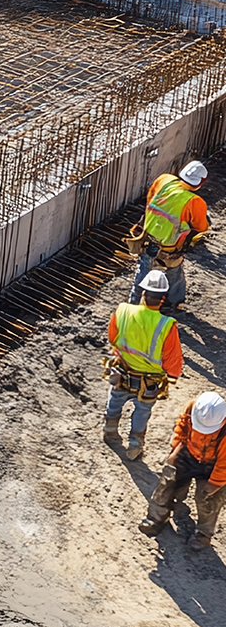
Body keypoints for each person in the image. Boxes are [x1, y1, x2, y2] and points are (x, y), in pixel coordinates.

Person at [103, 270, 183, 460]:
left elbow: (113, 337)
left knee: (115, 400)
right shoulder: (166, 325)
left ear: (143, 293)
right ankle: (135, 445)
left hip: (122, 371)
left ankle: (110, 430)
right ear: (163, 298)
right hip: (149, 381)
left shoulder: (123, 311)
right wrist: (173, 375)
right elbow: (172, 357)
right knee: (143, 410)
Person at [139, 392, 226, 549]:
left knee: (209, 498)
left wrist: (213, 485)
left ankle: (204, 533)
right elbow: (181, 428)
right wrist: (175, 450)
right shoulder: (193, 407)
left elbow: (224, 465)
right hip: (188, 453)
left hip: (213, 466)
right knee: (168, 479)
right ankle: (157, 516)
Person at [128, 159, 209, 310]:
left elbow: (150, 198)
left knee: (143, 268)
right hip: (170, 245)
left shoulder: (164, 180)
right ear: (201, 182)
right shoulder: (195, 202)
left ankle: (134, 301)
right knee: (174, 270)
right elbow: (201, 227)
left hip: (147, 235)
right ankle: (174, 301)